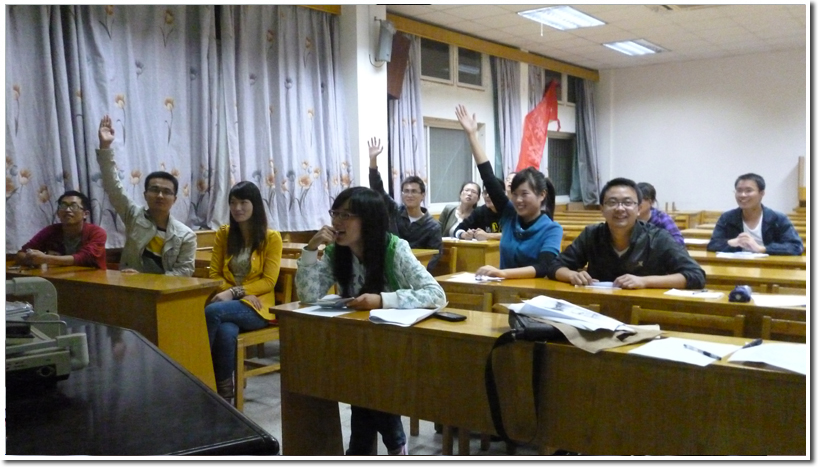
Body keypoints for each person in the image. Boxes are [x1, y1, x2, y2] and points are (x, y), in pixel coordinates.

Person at [295, 186, 446, 456]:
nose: (337, 222)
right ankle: (387, 447)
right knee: (363, 384)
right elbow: (307, 294)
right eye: (335, 214)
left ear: (368, 220)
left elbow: (436, 295)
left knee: (368, 383)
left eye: (346, 215)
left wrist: (382, 300)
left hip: (397, 344)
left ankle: (374, 449)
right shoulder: (337, 252)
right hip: (359, 343)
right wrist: (310, 248)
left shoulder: (394, 249)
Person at [455, 105, 562, 279]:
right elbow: (488, 177)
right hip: (503, 287)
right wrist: (472, 135)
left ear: (542, 195)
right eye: (515, 194)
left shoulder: (552, 229)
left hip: (534, 290)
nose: (518, 200)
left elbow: (544, 266)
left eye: (524, 194)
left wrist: (503, 273)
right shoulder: (509, 214)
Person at [549, 178, 706, 289]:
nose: (620, 208)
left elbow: (696, 275)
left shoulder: (658, 238)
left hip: (645, 310)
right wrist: (572, 275)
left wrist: (644, 281)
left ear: (639, 209)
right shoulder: (591, 235)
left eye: (627, 202)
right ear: (602, 209)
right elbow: (554, 266)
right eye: (612, 202)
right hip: (598, 310)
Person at [205, 181, 282, 403]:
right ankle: (224, 395)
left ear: (255, 205)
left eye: (243, 202)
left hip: (257, 307)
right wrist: (236, 293)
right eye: (233, 203)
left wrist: (236, 292)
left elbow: (268, 281)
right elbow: (214, 274)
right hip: (231, 304)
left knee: (212, 312)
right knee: (225, 332)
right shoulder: (224, 234)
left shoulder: (271, 238)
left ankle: (198, 373)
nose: (237, 208)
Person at [96, 115, 197, 275]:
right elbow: (112, 186)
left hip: (163, 290)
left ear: (175, 199)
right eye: (155, 190)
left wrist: (144, 279)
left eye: (167, 192)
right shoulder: (134, 216)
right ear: (145, 194)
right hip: (129, 286)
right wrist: (105, 147)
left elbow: (184, 272)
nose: (160, 196)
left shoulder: (185, 235)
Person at [367, 137, 442, 272]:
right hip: (389, 268)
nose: (409, 195)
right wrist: (373, 161)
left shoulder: (432, 226)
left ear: (422, 195)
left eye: (414, 191)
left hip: (416, 273)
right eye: (406, 191)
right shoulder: (395, 211)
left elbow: (434, 256)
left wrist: (416, 274)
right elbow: (377, 189)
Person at [707, 173, 803, 255]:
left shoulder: (778, 218)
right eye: (739, 191)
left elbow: (795, 246)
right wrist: (731, 243)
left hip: (769, 267)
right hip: (736, 266)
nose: (743, 195)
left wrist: (762, 249)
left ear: (761, 193)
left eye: (748, 191)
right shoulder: (727, 218)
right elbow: (713, 244)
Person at [16, 191, 107, 269]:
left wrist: (46, 259)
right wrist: (32, 258)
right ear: (58, 213)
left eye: (74, 206)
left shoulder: (97, 233)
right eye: (63, 206)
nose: (67, 210)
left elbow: (84, 258)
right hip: (60, 277)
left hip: (93, 279)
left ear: (85, 214)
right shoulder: (50, 231)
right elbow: (21, 253)